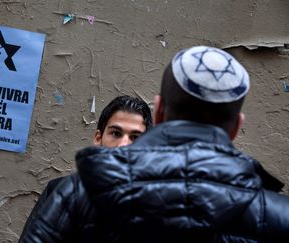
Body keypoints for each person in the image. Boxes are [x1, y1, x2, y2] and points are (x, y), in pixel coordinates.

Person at [20, 46, 289, 242]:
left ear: (158, 112)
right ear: (236, 127)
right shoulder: (277, 216)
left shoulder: (78, 195)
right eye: (115, 133)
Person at [19, 95, 153, 241]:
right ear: (98, 139)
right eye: (116, 133)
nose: (123, 145)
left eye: (135, 137)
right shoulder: (58, 191)